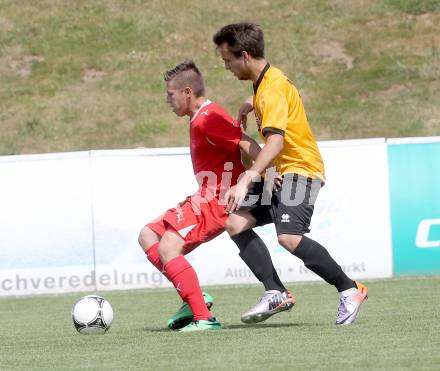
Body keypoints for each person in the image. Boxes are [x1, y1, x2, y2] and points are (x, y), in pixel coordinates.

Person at [213, 23, 368, 325]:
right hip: (282, 173)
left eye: (228, 60)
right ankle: (275, 292)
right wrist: (249, 103)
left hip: (301, 169)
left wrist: (248, 177)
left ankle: (350, 289)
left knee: (288, 237)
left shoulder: (270, 90)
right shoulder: (268, 81)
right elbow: (279, 96)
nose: (227, 67)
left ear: (244, 55)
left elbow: (275, 142)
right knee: (235, 221)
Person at [138, 60, 289, 331]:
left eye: (170, 95)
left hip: (216, 200)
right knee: (148, 235)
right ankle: (192, 297)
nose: (167, 100)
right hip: (203, 196)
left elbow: (247, 142)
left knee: (168, 247)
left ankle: (203, 318)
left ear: (187, 92)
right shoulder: (200, 118)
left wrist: (269, 172)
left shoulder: (209, 118)